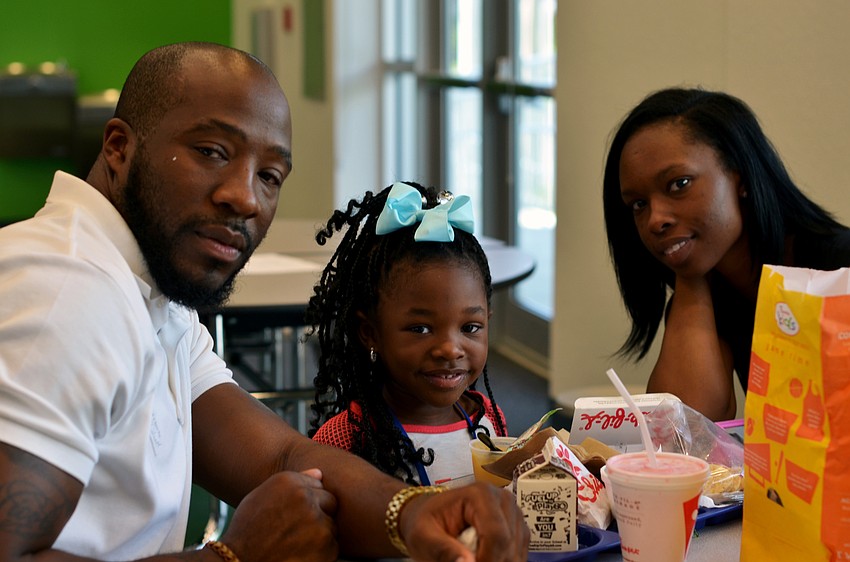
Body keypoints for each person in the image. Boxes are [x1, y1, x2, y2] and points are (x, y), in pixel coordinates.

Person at [0, 42, 529, 562]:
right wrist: (230, 557)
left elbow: (280, 455)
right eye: (212, 152)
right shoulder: (67, 290)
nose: (246, 197)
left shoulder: (151, 291)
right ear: (119, 148)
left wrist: (415, 513)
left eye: (269, 176)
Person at [602, 87, 850, 421]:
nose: (655, 219)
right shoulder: (710, 292)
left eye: (679, 184)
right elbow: (682, 437)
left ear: (741, 177)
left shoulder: (839, 271)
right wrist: (690, 277)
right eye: (638, 204)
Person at [305, 181, 508, 488]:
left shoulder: (489, 419)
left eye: (470, 328)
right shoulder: (346, 438)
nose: (450, 349)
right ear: (369, 333)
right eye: (420, 329)